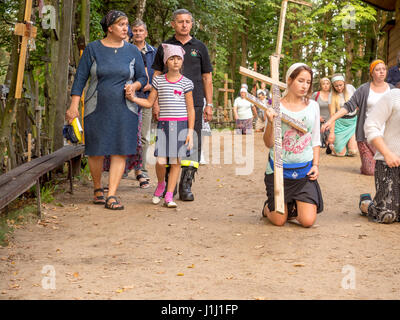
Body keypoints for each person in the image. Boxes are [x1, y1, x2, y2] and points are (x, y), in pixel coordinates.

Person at [65, 10, 147, 210]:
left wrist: (134, 87)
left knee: (121, 149)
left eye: (126, 24)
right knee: (96, 150)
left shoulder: (132, 51)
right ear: (109, 28)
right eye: (121, 24)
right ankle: (97, 188)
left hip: (125, 108)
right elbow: (80, 79)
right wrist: (74, 106)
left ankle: (111, 194)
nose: (125, 28)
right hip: (96, 107)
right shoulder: (93, 49)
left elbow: (143, 78)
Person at [151, 8, 213, 202]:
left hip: (194, 104)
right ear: (173, 24)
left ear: (192, 24)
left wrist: (209, 104)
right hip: (169, 106)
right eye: (180, 21)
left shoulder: (200, 47)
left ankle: (186, 184)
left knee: (191, 144)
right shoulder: (165, 46)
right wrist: (155, 103)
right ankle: (169, 185)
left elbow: (207, 77)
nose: (184, 25)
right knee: (168, 144)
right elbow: (157, 75)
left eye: (187, 21)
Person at [126, 44, 195, 208]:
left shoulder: (186, 83)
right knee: (161, 162)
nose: (175, 62)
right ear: (166, 62)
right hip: (164, 126)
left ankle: (169, 195)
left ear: (182, 61)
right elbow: (149, 102)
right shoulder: (158, 81)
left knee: (176, 161)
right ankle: (161, 184)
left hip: (181, 126)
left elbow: (191, 109)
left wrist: (190, 132)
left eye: (178, 58)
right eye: (172, 58)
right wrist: (134, 98)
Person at [262, 63, 323, 228]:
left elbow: (315, 139)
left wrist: (315, 165)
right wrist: (270, 122)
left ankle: (293, 204)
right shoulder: (275, 106)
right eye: (300, 80)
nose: (305, 86)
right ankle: (268, 208)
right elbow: (268, 143)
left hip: (304, 171)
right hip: (279, 171)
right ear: (289, 80)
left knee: (308, 221)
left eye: (308, 82)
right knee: (279, 221)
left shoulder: (313, 107)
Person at [322, 60, 396, 175]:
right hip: (366, 135)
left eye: (383, 69)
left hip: (386, 136)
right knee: (370, 171)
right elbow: (348, 106)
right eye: (377, 70)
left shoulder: (392, 89)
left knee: (388, 167)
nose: (381, 72)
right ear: (372, 73)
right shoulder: (363, 89)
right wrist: (331, 120)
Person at [360, 87, 400, 223]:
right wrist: (387, 153)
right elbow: (371, 125)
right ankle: (366, 203)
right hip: (390, 164)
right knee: (387, 215)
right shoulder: (394, 96)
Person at [131, 20, 157, 185]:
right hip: (128, 97)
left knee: (144, 136)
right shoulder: (125, 49)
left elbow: (159, 75)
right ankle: (126, 167)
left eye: (141, 30)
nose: (138, 33)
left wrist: (155, 100)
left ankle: (142, 169)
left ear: (146, 33)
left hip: (147, 97)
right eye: (135, 30)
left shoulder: (153, 52)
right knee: (127, 134)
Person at [325, 74, 357, 156]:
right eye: (336, 86)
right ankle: (331, 146)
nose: (339, 88)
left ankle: (346, 145)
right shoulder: (331, 95)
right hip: (340, 123)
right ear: (333, 86)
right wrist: (331, 133)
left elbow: (358, 101)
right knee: (341, 154)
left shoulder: (351, 88)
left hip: (352, 122)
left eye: (341, 85)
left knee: (353, 152)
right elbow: (332, 115)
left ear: (344, 83)